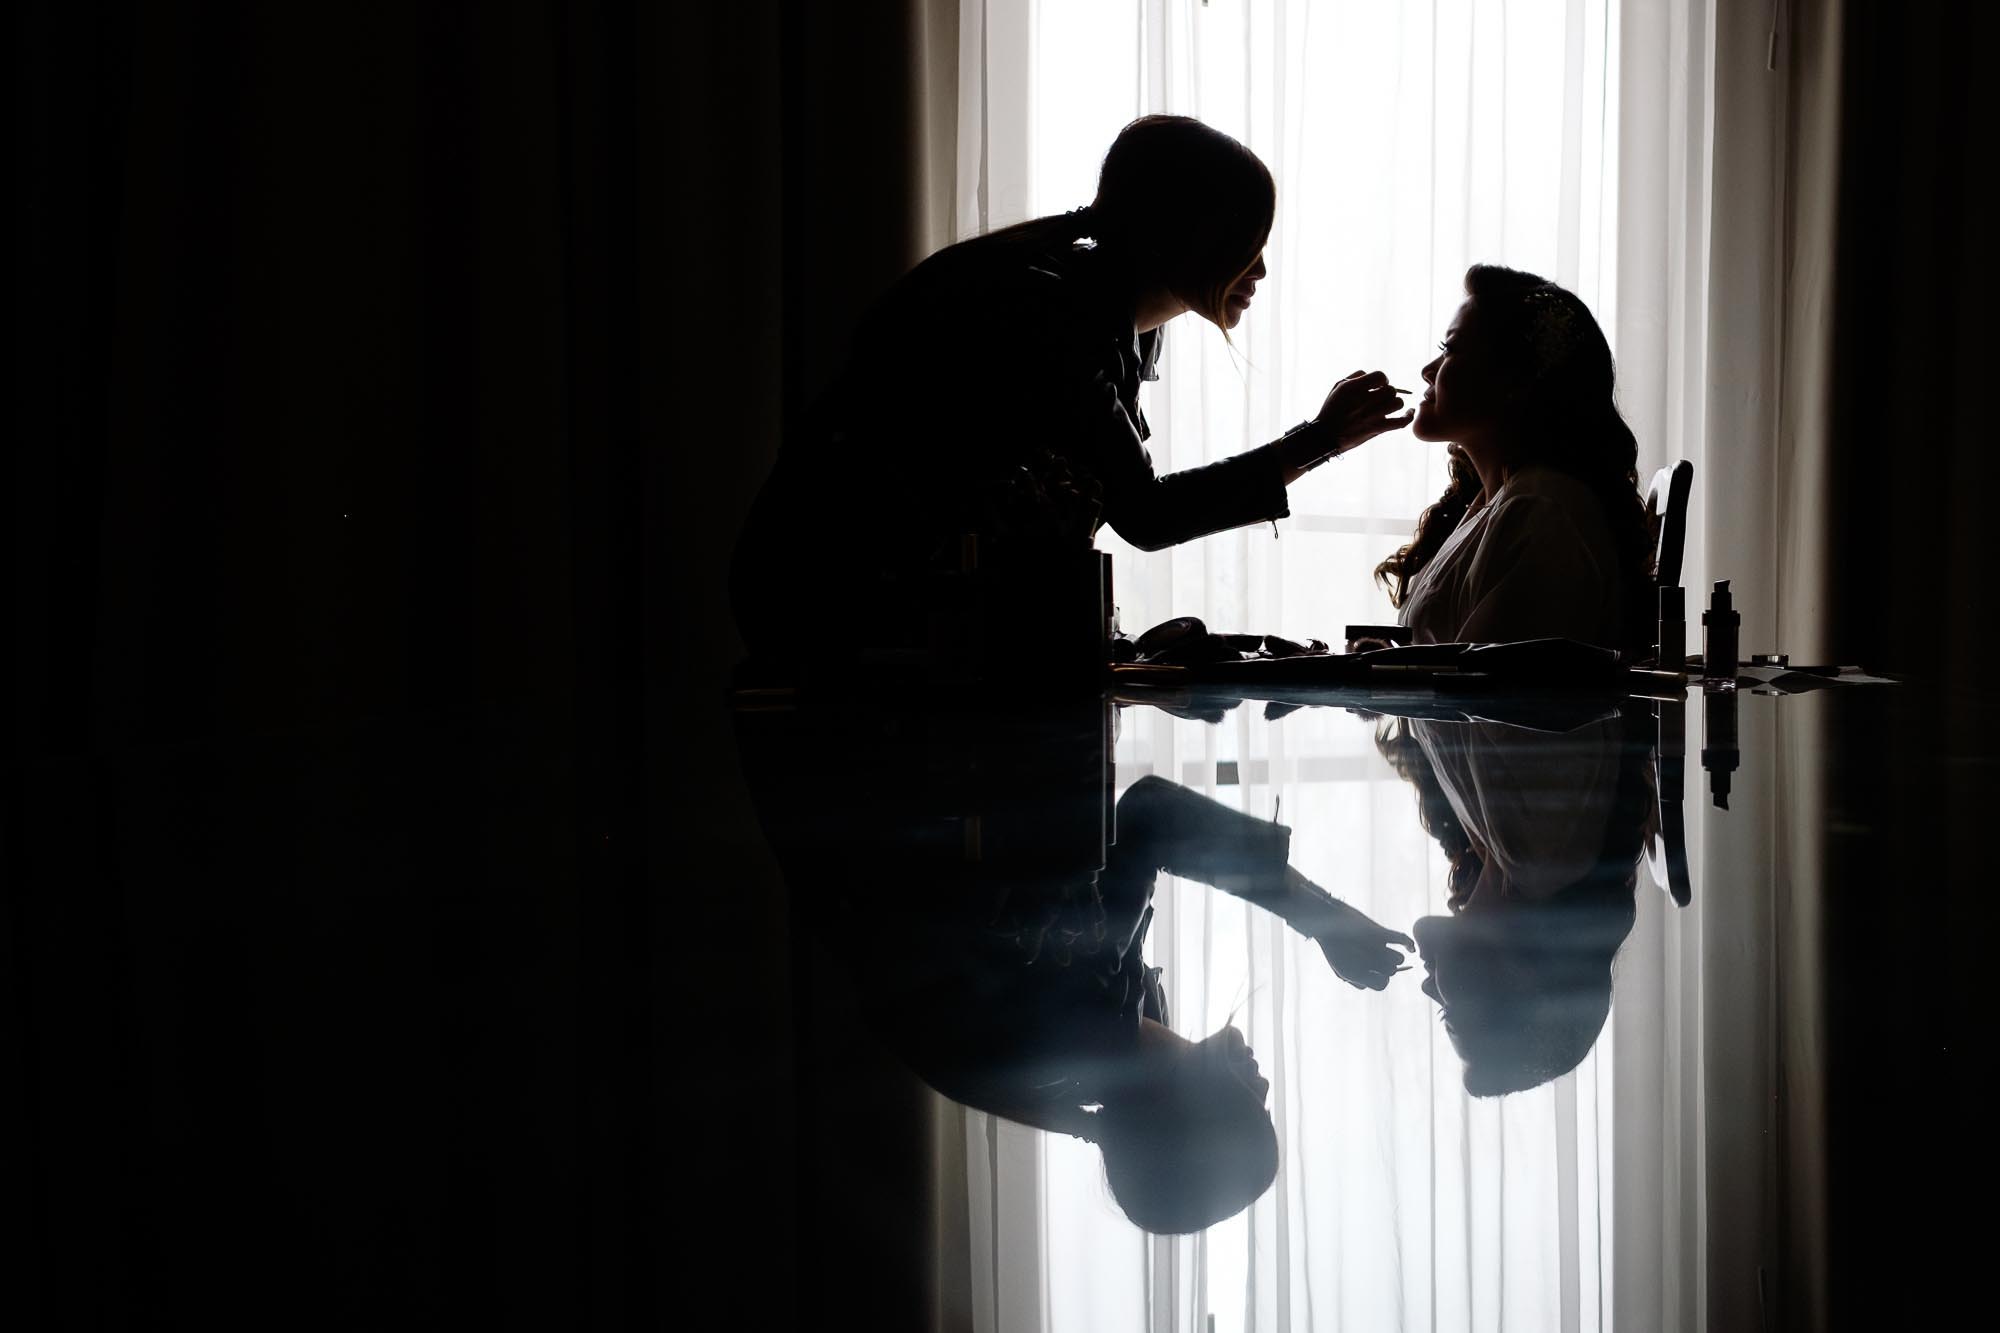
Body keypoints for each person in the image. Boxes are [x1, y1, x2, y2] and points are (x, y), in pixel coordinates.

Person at [732, 115, 1411, 662]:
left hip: (891, 603)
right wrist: (1321, 440)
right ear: (1185, 237)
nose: (1259, 267)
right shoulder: (1054, 308)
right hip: (836, 600)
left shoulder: (1112, 315)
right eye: (1244, 241)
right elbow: (1143, 512)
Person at [1362, 265, 1653, 653]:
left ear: (1513, 380)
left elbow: (1493, 694)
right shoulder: (1496, 502)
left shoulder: (1540, 510)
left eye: (1449, 350)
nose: (1428, 372)